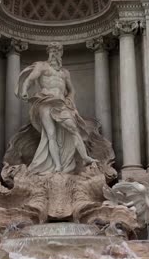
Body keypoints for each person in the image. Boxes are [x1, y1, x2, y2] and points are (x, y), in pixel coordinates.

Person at [15, 42, 97, 174]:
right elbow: (29, 79)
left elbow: (71, 90)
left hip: (61, 104)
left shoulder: (65, 73)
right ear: (48, 53)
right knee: (50, 135)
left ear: (61, 54)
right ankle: (58, 166)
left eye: (57, 51)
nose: (55, 54)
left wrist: (70, 99)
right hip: (45, 102)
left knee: (74, 129)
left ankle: (85, 157)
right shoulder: (42, 66)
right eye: (52, 51)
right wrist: (24, 90)